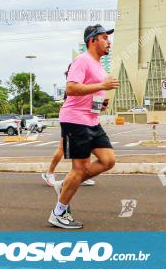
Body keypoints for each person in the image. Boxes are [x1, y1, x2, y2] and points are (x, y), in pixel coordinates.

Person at [47, 24, 118, 230]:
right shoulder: (81, 60)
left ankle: (65, 184)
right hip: (75, 121)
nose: (108, 42)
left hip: (92, 120)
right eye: (104, 37)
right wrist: (102, 86)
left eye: (108, 38)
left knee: (108, 160)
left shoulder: (99, 66)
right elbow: (71, 88)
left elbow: (90, 94)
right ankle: (58, 213)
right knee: (80, 169)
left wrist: (100, 104)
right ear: (92, 40)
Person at [41, 65, 94, 187]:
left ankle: (81, 175)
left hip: (84, 119)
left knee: (86, 147)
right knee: (63, 148)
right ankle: (49, 173)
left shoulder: (86, 84)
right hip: (71, 119)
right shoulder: (72, 86)